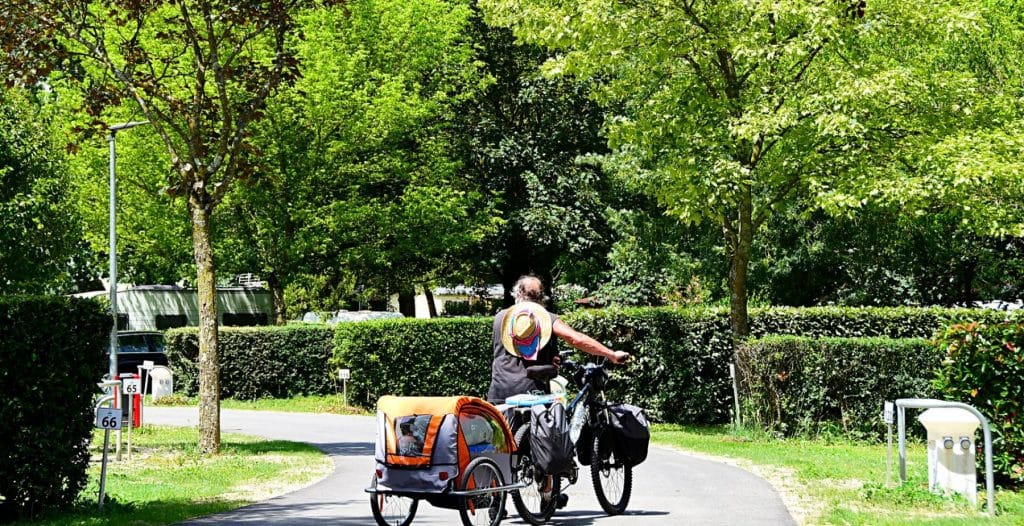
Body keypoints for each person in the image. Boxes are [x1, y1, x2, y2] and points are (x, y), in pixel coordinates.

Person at [487, 275, 630, 405]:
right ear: (541, 297)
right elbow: (576, 339)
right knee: (547, 432)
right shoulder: (546, 318)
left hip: (499, 391)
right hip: (532, 393)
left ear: (517, 294)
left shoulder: (501, 318)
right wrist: (612, 354)